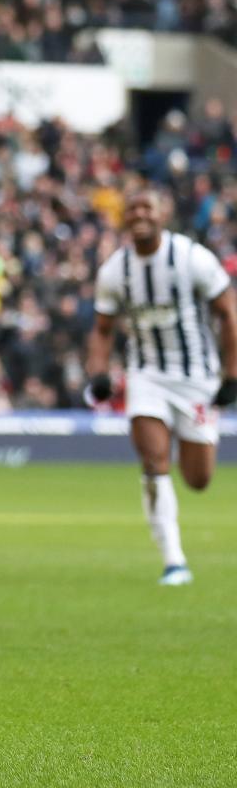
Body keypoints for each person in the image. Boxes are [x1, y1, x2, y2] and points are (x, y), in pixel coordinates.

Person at [86, 188, 237, 586]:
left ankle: (175, 554)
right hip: (146, 375)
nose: (138, 214)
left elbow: (228, 313)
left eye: (146, 207)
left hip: (196, 379)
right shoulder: (115, 270)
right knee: (154, 462)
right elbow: (102, 329)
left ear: (163, 213)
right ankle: (174, 560)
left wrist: (231, 375)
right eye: (131, 207)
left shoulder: (192, 258)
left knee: (198, 480)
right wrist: (99, 373)